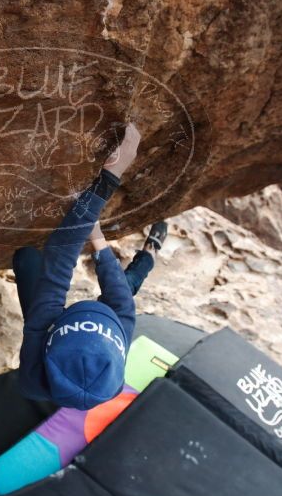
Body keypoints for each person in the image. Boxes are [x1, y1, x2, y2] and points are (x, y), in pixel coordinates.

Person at [12, 123, 168, 410]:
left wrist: (109, 178)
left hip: (38, 375)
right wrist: (97, 238)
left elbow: (60, 258)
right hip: (100, 321)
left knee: (26, 258)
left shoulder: (34, 369)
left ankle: (148, 251)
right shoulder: (114, 375)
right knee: (127, 283)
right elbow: (118, 296)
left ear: (51, 333)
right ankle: (151, 250)